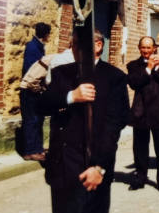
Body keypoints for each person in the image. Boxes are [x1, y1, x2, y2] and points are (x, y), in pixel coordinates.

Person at [38, 30, 129, 213]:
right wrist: (71, 96)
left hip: (92, 167)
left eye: (80, 44)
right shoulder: (61, 73)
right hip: (63, 166)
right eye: (74, 44)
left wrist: (99, 167)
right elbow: (42, 105)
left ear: (98, 46)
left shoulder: (114, 77)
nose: (75, 49)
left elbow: (114, 126)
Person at [127, 36, 159, 192]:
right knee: (140, 150)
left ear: (154, 48)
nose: (146, 51)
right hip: (141, 113)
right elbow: (134, 83)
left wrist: (157, 68)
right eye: (143, 47)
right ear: (139, 48)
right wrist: (148, 68)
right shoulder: (133, 65)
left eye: (149, 47)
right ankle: (140, 178)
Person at [19, 22, 51, 161]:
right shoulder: (33, 47)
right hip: (29, 90)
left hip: (35, 90)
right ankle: (29, 151)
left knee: (38, 119)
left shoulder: (37, 46)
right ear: (45, 34)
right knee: (31, 120)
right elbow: (30, 70)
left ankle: (37, 148)